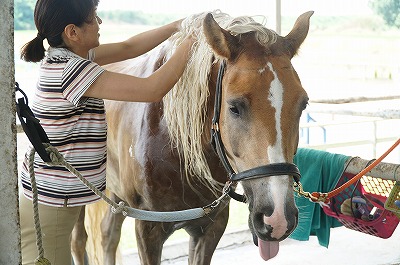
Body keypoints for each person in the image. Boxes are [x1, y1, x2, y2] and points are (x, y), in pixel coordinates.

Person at [19, 0, 194, 264]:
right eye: (93, 18)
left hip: (49, 201)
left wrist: (177, 26)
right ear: (72, 32)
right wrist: (192, 41)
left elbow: (129, 47)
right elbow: (152, 89)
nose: (99, 23)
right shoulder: (72, 71)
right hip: (50, 209)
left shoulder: (67, 58)